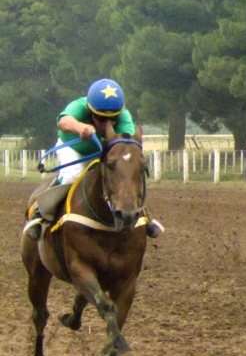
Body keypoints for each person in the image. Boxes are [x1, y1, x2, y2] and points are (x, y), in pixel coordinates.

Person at [25, 78, 162, 241]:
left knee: (121, 174)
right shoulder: (79, 106)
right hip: (73, 147)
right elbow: (63, 121)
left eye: (113, 119)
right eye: (101, 119)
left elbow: (127, 144)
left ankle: (143, 214)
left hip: (103, 150)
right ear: (90, 111)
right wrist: (80, 127)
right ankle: (39, 214)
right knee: (73, 175)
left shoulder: (124, 116)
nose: (107, 124)